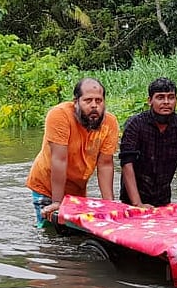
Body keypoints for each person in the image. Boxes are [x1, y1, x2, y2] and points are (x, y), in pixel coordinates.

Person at [26, 77, 120, 227]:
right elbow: (59, 160)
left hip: (76, 189)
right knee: (50, 235)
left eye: (99, 100)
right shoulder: (59, 115)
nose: (94, 105)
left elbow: (105, 165)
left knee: (73, 236)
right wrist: (57, 202)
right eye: (88, 101)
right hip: (47, 185)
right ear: (76, 102)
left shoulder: (110, 123)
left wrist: (110, 204)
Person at [119, 77, 177, 208]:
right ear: (150, 101)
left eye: (171, 97)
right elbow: (126, 163)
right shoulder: (135, 124)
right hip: (132, 198)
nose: (166, 102)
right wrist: (137, 203)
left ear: (176, 100)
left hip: (163, 198)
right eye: (160, 97)